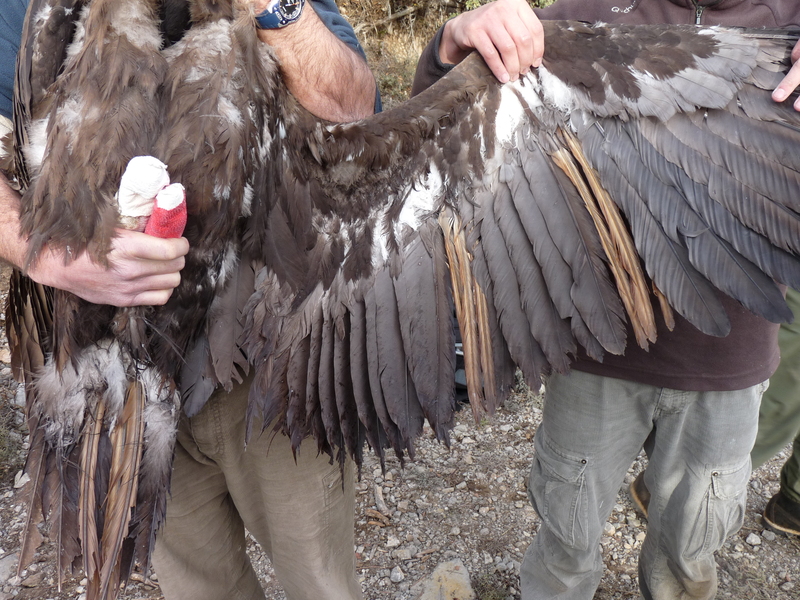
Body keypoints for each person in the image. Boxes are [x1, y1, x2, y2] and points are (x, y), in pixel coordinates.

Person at [411, 1, 800, 599]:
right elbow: (442, 129)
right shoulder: (592, 11)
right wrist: (450, 46)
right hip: (599, 353)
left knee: (689, 556)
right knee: (564, 549)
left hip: (727, 362)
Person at [1, 1, 377, 599]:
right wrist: (52, 258)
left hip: (268, 351)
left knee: (321, 582)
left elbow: (355, 106)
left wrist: (271, 7)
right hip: (124, 374)